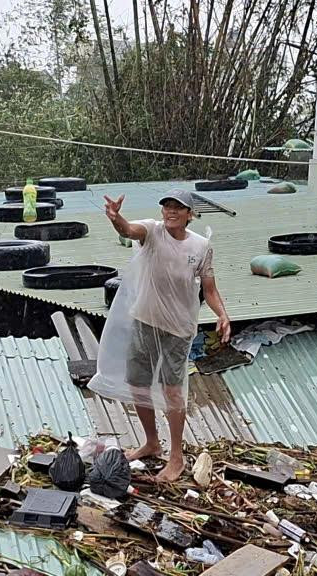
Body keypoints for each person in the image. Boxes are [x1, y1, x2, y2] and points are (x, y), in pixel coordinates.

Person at [88, 188, 231, 482]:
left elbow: (210, 290)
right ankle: (151, 443)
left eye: (177, 208)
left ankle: (176, 457)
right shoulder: (153, 232)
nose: (170, 211)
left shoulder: (202, 247)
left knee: (172, 391)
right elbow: (129, 230)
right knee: (139, 383)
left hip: (179, 329)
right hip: (145, 321)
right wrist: (115, 218)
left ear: (189, 215)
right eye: (166, 206)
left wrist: (222, 314)